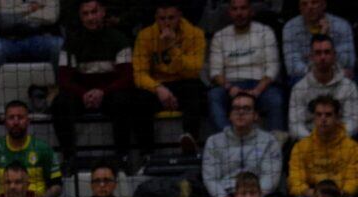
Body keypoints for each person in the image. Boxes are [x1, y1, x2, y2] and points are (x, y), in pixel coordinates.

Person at [51, 0, 151, 164]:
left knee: (125, 100)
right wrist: (83, 93)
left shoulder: (119, 39)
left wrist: (103, 92)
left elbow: (127, 77)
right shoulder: (71, 42)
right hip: (82, 95)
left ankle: (122, 157)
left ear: (103, 12)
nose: (91, 18)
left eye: (94, 12)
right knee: (60, 104)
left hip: (110, 94)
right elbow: (63, 79)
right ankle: (69, 158)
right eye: (86, 14)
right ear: (80, 17)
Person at [133, 1, 207, 148]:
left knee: (196, 91)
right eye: (162, 18)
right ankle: (146, 154)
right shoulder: (145, 36)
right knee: (137, 100)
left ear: (179, 16)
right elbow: (139, 74)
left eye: (171, 18)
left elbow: (193, 70)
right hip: (158, 85)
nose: (166, 23)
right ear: (155, 17)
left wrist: (172, 46)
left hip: (184, 82)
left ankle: (190, 140)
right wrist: (159, 88)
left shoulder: (195, 34)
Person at [207, 0, 283, 133]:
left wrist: (257, 91)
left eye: (243, 8)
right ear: (229, 12)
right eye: (235, 9)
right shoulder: (220, 36)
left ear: (251, 11)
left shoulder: (265, 32)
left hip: (260, 86)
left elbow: (272, 68)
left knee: (276, 99)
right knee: (214, 96)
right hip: (231, 86)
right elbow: (215, 72)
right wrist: (230, 88)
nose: (239, 13)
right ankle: (227, 137)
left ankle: (276, 142)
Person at [202, 91, 282, 197]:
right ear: (229, 115)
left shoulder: (269, 141)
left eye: (246, 108)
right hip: (226, 196)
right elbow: (210, 178)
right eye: (236, 108)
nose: (240, 112)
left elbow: (271, 176)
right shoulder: (213, 142)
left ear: (255, 115)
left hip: (258, 195)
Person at [288, 95, 358, 197]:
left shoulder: (352, 147)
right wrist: (316, 195)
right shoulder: (301, 147)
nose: (323, 119)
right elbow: (295, 181)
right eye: (318, 114)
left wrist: (335, 196)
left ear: (337, 118)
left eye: (328, 115)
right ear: (314, 118)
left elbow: (353, 181)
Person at [0, 100, 62, 197]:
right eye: (11, 118)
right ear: (5, 121)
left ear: (28, 121)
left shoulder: (43, 149)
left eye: (20, 117)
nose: (15, 122)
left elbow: (57, 185)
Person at [287, 35, 358, 140]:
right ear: (311, 57)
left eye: (327, 52)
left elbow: (354, 120)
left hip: (341, 140)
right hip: (310, 141)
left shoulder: (349, 86)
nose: (323, 57)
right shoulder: (299, 89)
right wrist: (315, 141)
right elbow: (295, 126)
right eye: (318, 53)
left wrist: (336, 138)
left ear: (334, 55)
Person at [0, 0, 63, 88]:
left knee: (59, 45)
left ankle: (56, 89)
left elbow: (52, 16)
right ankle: (0, 91)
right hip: (11, 38)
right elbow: (2, 17)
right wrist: (31, 8)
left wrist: (19, 16)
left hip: (40, 37)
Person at [282, 0, 354, 84]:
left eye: (314, 2)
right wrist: (318, 73)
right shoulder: (290, 28)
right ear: (300, 8)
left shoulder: (342, 25)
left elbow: (348, 62)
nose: (310, 7)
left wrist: (326, 37)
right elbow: (292, 66)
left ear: (323, 5)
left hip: (339, 76)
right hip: (304, 77)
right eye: (304, 4)